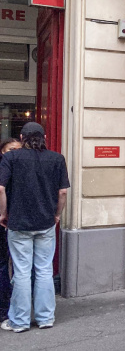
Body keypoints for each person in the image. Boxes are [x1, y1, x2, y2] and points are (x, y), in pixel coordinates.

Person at [0, 123, 70, 333]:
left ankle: (19, 321)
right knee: (44, 270)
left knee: (21, 272)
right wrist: (57, 215)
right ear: (45, 137)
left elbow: (1, 189)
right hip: (45, 223)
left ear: (22, 138)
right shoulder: (57, 159)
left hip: (19, 223)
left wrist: (3, 213)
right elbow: (63, 193)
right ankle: (45, 318)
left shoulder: (11, 158)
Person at [0, 139, 22, 323]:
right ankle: (5, 307)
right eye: (10, 150)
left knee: (18, 266)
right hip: (5, 221)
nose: (14, 153)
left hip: (17, 222)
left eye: (17, 150)